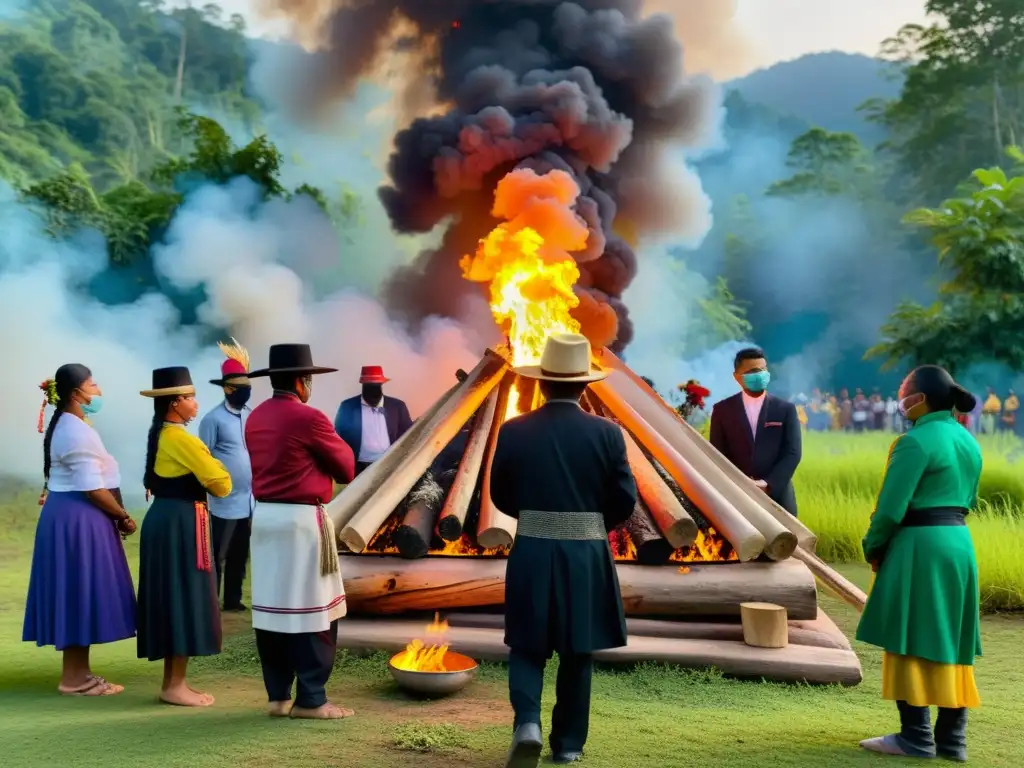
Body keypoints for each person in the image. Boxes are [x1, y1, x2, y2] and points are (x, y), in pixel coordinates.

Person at [490, 333, 637, 767]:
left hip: (532, 547)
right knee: (579, 648)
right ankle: (569, 744)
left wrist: (536, 518)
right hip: (586, 554)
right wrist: (591, 522)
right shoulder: (608, 434)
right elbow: (625, 498)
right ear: (586, 385)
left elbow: (500, 494)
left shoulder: (514, 430)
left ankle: (528, 724)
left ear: (540, 383)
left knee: (526, 644)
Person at [856, 365, 982, 762]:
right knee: (950, 637)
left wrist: (872, 547)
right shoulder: (968, 440)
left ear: (919, 399)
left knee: (908, 635)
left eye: (903, 393)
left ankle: (914, 736)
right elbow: (969, 499)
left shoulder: (913, 442)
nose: (900, 401)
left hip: (919, 544)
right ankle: (951, 739)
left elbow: (891, 509)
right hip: (959, 544)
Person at [246, 344, 357, 720]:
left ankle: (278, 696)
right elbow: (345, 468)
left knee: (272, 610)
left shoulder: (255, 417)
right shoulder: (309, 418)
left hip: (264, 519)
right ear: (301, 380)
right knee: (315, 611)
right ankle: (312, 698)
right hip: (300, 521)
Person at [23, 364, 137, 696]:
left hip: (74, 514)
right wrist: (122, 517)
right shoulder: (76, 431)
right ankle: (73, 678)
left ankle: (79, 672)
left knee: (79, 590)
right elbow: (93, 488)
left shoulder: (73, 425)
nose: (98, 390)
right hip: (79, 517)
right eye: (93, 384)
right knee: (78, 589)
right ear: (76, 393)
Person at [137, 367, 232, 707]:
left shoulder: (164, 434)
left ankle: (174, 682)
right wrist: (215, 464)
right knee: (181, 597)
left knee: (173, 596)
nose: (196, 403)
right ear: (175, 403)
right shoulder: (181, 439)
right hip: (180, 523)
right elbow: (222, 484)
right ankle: (174, 684)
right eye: (190, 397)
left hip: (168, 520)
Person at [708, 347, 802, 516]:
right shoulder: (722, 410)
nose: (759, 375)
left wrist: (768, 484)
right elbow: (717, 454)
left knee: (787, 539)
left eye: (762, 370)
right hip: (737, 494)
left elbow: (793, 452)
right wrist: (740, 483)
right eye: (752, 371)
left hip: (778, 494)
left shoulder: (785, 409)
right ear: (737, 377)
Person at [198, 339, 254, 613]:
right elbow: (204, 457)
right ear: (228, 389)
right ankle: (211, 600)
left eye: (248, 387)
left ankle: (233, 599)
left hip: (248, 500)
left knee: (239, 554)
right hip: (222, 501)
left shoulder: (250, 414)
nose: (246, 392)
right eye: (241, 388)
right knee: (216, 553)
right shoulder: (213, 419)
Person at [333, 365, 413, 475]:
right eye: (370, 386)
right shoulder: (348, 407)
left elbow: (408, 434)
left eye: (376, 386)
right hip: (359, 467)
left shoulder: (397, 406)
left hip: (390, 465)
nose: (373, 391)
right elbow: (339, 436)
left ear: (381, 385)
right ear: (363, 386)